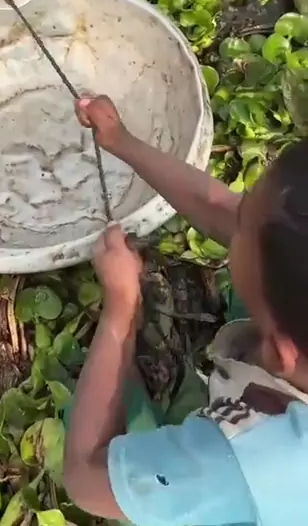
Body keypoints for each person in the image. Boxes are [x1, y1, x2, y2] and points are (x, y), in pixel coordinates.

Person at [63, 95, 308, 526]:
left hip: (245, 485)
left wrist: (120, 311)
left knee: (97, 408)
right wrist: (121, 140)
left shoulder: (254, 463)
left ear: (279, 353)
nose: (235, 213)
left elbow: (84, 476)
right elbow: (224, 213)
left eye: (242, 224)